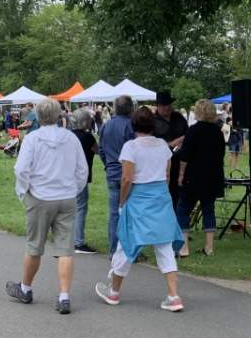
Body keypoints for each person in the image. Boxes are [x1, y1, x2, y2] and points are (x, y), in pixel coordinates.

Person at [95, 106, 184, 312]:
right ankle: (173, 295)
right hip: (160, 197)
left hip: (139, 199)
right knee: (164, 247)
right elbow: (168, 173)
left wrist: (122, 202)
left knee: (127, 244)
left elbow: (127, 178)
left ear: (133, 125)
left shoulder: (131, 147)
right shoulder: (162, 145)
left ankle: (114, 291)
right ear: (153, 125)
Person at [7, 98, 88, 314]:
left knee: (34, 245)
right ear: (59, 115)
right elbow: (82, 169)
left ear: (38, 117)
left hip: (40, 196)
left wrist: (24, 190)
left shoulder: (33, 139)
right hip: (66, 196)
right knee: (65, 249)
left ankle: (25, 288)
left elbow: (21, 169)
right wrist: (74, 189)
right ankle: (64, 295)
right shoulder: (70, 138)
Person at [175, 99, 226, 258]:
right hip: (212, 176)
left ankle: (184, 248)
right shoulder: (218, 132)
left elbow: (185, 155)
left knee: (183, 209)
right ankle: (209, 247)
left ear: (198, 112)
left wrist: (181, 174)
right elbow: (221, 155)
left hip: (194, 176)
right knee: (208, 209)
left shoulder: (193, 130)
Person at [98, 95, 135, 255]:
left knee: (114, 214)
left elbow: (101, 149)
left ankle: (114, 250)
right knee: (131, 213)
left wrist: (107, 165)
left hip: (112, 172)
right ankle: (129, 250)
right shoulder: (130, 126)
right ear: (130, 108)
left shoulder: (106, 126)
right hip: (127, 173)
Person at [70, 108, 99, 254]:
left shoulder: (67, 135)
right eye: (88, 119)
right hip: (80, 177)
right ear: (84, 121)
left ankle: (68, 238)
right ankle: (78, 242)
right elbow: (99, 151)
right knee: (81, 208)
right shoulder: (88, 137)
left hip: (65, 176)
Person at [152, 90, 188, 208]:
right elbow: (153, 144)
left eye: (169, 105)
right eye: (164, 105)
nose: (167, 108)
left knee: (180, 197)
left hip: (181, 164)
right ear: (158, 105)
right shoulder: (152, 121)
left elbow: (188, 134)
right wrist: (174, 143)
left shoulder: (178, 117)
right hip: (161, 166)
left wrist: (184, 141)